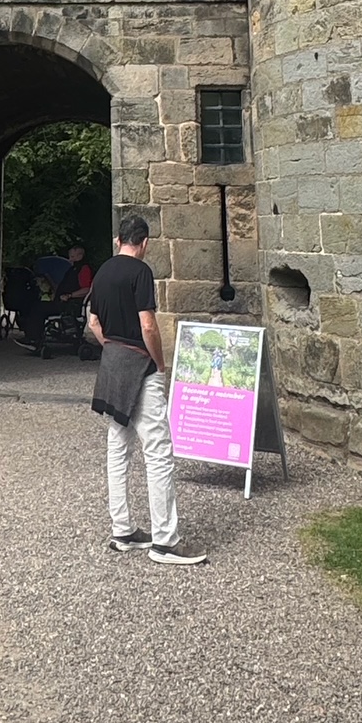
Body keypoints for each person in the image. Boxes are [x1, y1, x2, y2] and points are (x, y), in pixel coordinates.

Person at [85, 214, 207, 565]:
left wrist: (110, 346)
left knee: (117, 446)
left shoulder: (103, 272)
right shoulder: (140, 273)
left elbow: (94, 320)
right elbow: (148, 324)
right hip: (140, 364)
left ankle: (122, 529)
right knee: (157, 449)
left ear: (117, 240)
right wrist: (160, 362)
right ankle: (165, 541)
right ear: (145, 243)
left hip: (111, 362)